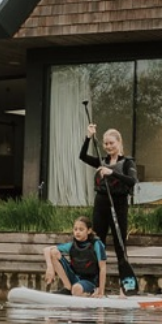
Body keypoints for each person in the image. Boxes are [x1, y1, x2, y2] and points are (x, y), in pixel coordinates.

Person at [80, 122, 139, 293]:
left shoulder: (128, 162)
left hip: (118, 205)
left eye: (111, 143)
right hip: (101, 205)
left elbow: (132, 181)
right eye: (105, 143)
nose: (108, 146)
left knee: (120, 246)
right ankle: (96, 286)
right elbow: (82, 156)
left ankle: (125, 287)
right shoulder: (101, 160)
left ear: (119, 143)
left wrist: (111, 172)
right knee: (97, 244)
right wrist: (88, 137)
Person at [44, 215, 107, 297]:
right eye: (75, 229)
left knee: (76, 289)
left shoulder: (96, 244)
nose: (77, 232)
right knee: (53, 252)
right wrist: (50, 267)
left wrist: (101, 292)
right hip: (74, 277)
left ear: (89, 231)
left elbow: (103, 267)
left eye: (81, 229)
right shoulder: (72, 245)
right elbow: (46, 250)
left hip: (90, 281)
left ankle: (88, 292)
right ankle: (67, 288)